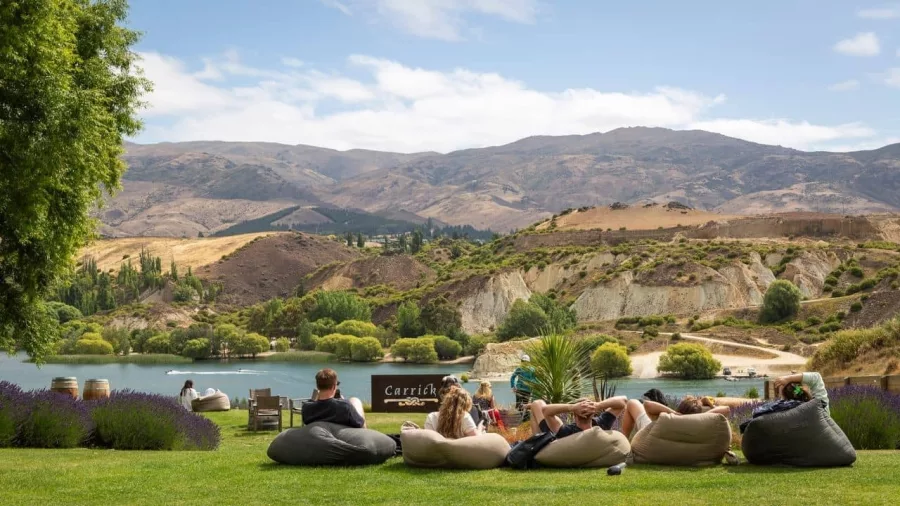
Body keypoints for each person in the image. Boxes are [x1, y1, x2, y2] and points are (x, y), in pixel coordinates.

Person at [527, 396, 627, 439]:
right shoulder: (601, 424)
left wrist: (572, 407)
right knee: (537, 404)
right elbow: (623, 401)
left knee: (536, 404)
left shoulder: (565, 431)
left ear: (574, 415)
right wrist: (598, 405)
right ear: (593, 414)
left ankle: (535, 442)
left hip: (551, 441)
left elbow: (545, 410)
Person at [301, 368, 366, 428]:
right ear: (334, 386)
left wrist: (316, 400)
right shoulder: (344, 406)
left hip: (317, 437)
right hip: (342, 437)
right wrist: (343, 402)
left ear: (317, 386)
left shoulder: (306, 408)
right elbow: (360, 424)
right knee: (355, 400)